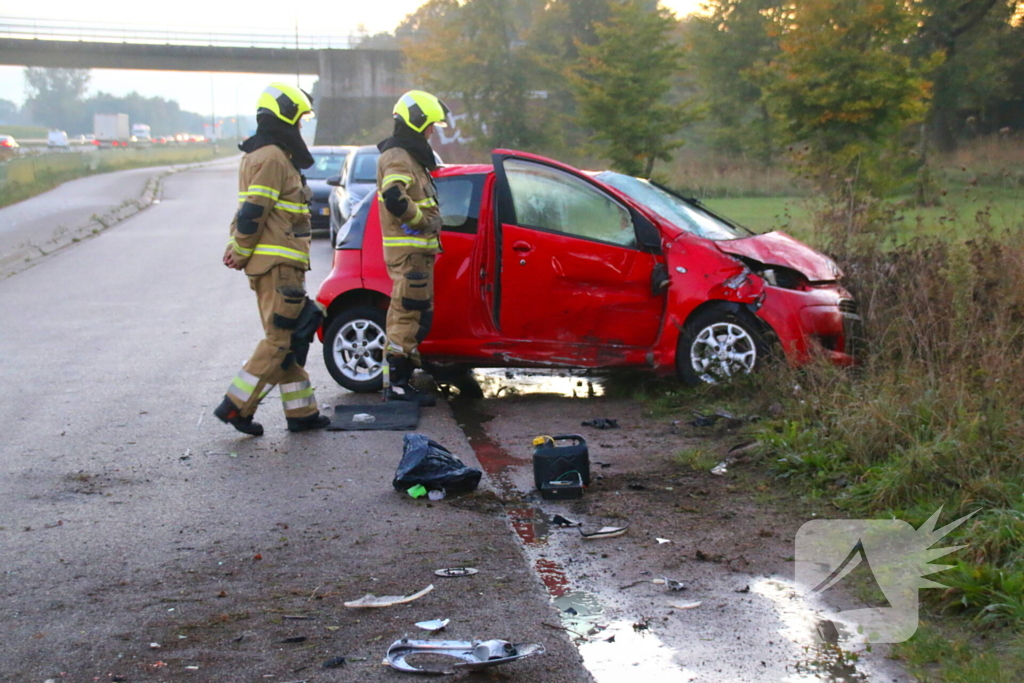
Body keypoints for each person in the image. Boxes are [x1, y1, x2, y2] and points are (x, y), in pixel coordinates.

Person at [213, 83, 331, 436]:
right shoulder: (273, 158)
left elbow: (246, 211)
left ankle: (302, 412)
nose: (301, 126)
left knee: (290, 340)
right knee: (279, 342)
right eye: (299, 118)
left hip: (278, 265)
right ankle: (236, 407)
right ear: (285, 116)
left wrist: (236, 245)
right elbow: (254, 211)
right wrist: (240, 249)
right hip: (279, 267)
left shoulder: (261, 154)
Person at [376, 90, 451, 406]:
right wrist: (421, 221)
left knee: (416, 317)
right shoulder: (398, 156)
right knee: (406, 318)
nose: (432, 132)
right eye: (430, 125)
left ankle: (400, 381)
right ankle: (398, 387)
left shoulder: (408, 156)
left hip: (417, 256)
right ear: (418, 122)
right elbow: (394, 197)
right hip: (409, 256)